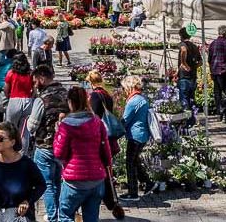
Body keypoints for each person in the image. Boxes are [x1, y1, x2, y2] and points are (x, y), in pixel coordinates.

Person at [54, 87, 112, 222]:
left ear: (70, 102)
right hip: (96, 179)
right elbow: (106, 152)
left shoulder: (66, 125)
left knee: (65, 216)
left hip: (74, 181)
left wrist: (57, 134)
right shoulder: (97, 122)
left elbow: (59, 153)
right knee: (91, 218)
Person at [0, 121, 47, 222]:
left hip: (20, 218)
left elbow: (41, 185)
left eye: (1, 138)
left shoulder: (26, 164)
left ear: (12, 142)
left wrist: (27, 201)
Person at [26, 65, 70, 222]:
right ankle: (61, 214)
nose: (34, 84)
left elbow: (32, 126)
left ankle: (53, 216)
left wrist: (28, 121)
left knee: (47, 184)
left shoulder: (42, 99)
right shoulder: (66, 94)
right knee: (59, 181)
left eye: (35, 81)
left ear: (42, 78)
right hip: (63, 146)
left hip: (45, 145)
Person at [119, 76, 152, 201]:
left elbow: (125, 120)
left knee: (130, 163)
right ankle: (148, 183)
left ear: (129, 87)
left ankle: (133, 193)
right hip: (143, 134)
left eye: (124, 88)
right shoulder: (142, 99)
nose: (124, 91)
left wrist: (115, 131)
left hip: (135, 135)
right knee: (135, 161)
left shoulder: (133, 101)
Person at [208, 26, 226, 117]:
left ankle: (219, 113)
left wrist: (211, 71)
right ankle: (225, 111)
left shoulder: (213, 43)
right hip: (224, 72)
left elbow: (209, 60)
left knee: (217, 93)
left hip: (215, 72)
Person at [176, 28, 202, 121]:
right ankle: (192, 119)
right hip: (193, 76)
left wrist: (184, 64)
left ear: (181, 36)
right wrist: (194, 67)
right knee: (191, 98)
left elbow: (183, 50)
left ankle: (186, 120)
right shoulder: (194, 46)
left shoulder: (183, 44)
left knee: (184, 99)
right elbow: (201, 61)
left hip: (184, 76)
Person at [4, 52, 34, 129]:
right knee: (25, 129)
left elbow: (6, 90)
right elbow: (34, 90)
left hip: (14, 100)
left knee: (11, 128)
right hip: (27, 100)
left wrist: (8, 97)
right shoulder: (30, 73)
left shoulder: (11, 73)